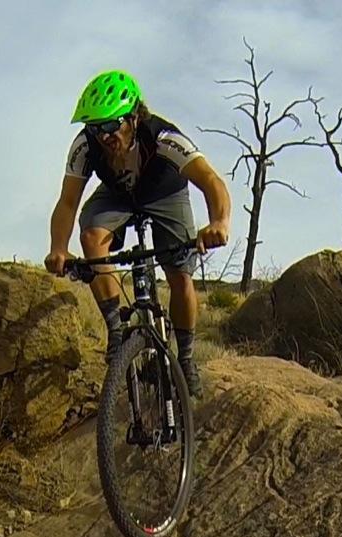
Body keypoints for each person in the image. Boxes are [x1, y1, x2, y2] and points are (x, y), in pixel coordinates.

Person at [44, 69, 231, 397]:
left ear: (133, 117)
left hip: (165, 194)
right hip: (118, 196)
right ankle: (117, 334)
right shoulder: (85, 147)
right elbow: (68, 200)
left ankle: (185, 358)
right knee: (91, 238)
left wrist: (219, 222)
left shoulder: (164, 138)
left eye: (110, 125)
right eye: (94, 127)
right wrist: (58, 247)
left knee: (179, 275)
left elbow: (211, 180)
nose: (103, 136)